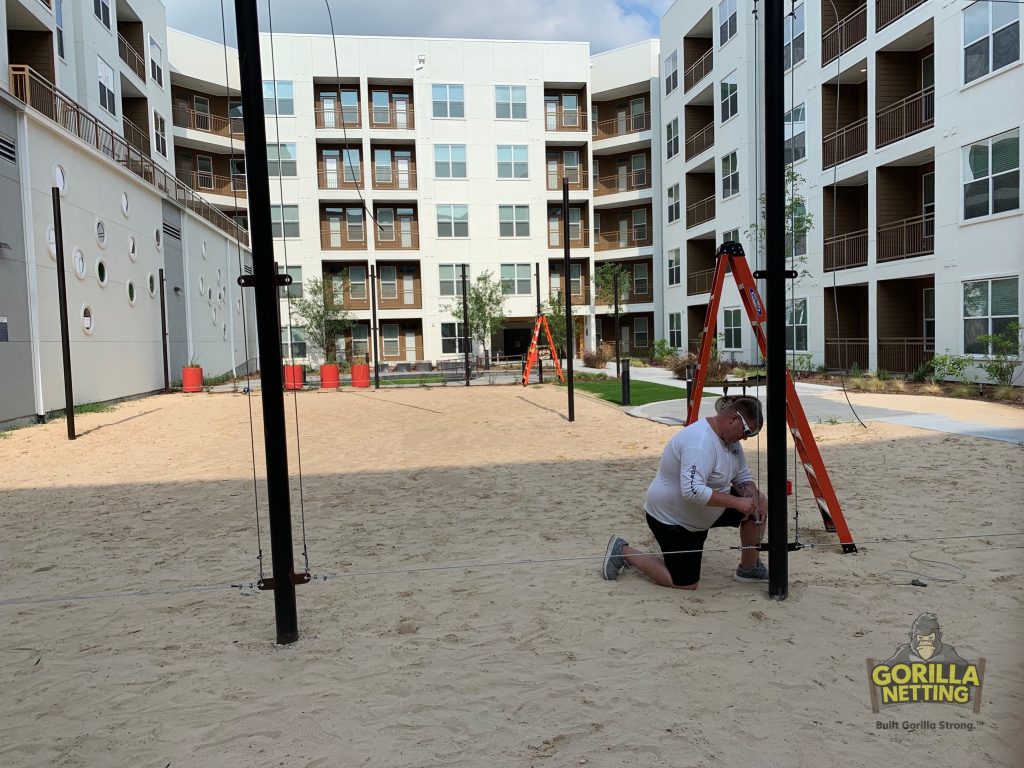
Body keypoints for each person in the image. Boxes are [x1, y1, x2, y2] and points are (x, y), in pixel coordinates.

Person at [602, 395, 768, 588]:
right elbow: (692, 491)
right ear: (733, 419)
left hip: (704, 514)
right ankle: (623, 551)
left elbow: (742, 476)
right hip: (673, 520)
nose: (746, 438)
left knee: (760, 502)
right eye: (746, 431)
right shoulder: (700, 443)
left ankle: (749, 568)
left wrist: (752, 501)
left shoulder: (731, 442)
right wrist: (737, 502)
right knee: (685, 584)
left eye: (751, 435)